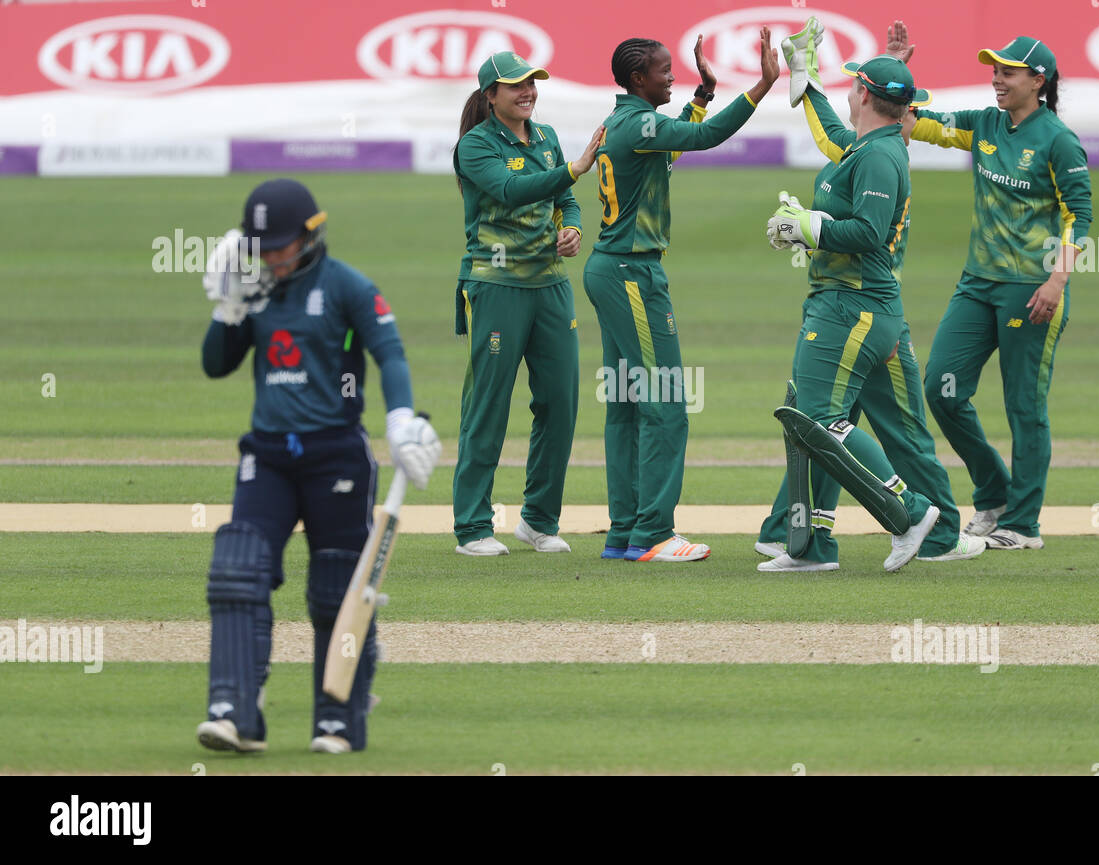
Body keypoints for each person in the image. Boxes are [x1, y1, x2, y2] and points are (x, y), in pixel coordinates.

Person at [196, 178, 439, 754]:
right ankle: (234, 711)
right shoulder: (254, 291)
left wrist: (401, 419)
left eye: (280, 246)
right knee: (237, 570)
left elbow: (390, 352)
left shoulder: (347, 286)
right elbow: (215, 365)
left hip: (336, 456)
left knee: (337, 589)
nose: (271, 258)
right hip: (269, 455)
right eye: (262, 247)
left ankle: (338, 714)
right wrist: (227, 309)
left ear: (311, 234)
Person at [756, 19, 986, 570]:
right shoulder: (867, 145)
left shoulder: (881, 155)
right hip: (870, 310)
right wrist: (806, 76)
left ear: (863, 93)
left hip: (853, 308)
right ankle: (808, 540)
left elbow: (867, 232)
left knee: (816, 419)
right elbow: (835, 132)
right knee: (889, 428)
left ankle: (911, 517)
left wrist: (806, 226)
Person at [584, 30, 780, 563]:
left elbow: (674, 141)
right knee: (667, 402)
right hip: (632, 274)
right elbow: (709, 136)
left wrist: (700, 94)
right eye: (664, 71)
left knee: (625, 405)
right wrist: (762, 85)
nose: (671, 76)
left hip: (611, 270)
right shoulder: (639, 123)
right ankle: (652, 535)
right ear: (636, 80)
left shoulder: (627, 123)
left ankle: (625, 533)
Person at [907, 31, 1093, 550]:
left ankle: (1023, 524)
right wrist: (896, 72)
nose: (997, 79)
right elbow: (916, 124)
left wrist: (1057, 279)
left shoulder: (1057, 139)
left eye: (1008, 72)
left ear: (1039, 81)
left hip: (1031, 290)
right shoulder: (984, 124)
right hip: (977, 285)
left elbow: (1080, 216)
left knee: (1023, 408)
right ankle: (994, 492)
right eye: (994, 70)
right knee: (941, 387)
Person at [451, 51, 604, 557]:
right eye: (515, 85)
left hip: (550, 286)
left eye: (532, 82)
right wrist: (575, 170)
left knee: (560, 402)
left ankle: (538, 520)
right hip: (495, 285)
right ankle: (473, 526)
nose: (527, 91)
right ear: (490, 95)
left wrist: (572, 225)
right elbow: (511, 190)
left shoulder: (547, 137)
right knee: (489, 404)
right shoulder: (474, 146)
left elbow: (565, 201)